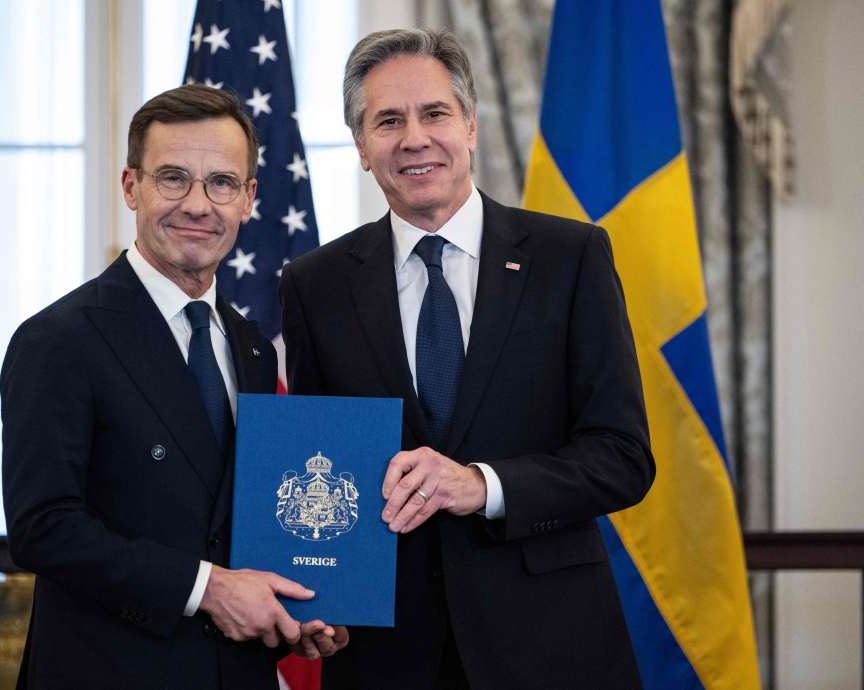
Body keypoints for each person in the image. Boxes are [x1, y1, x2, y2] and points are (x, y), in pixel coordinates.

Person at [279, 29, 655, 690]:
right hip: (384, 653)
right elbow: (319, 458)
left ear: (471, 126)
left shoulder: (569, 259)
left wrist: (482, 485)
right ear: (363, 148)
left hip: (550, 643)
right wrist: (320, 598)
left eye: (434, 113)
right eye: (387, 121)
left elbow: (623, 458)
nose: (414, 138)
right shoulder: (314, 285)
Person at [1, 84, 346, 690]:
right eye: (173, 178)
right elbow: (44, 528)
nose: (197, 204)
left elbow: (249, 521)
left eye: (221, 182)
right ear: (131, 186)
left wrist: (296, 609)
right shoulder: (58, 340)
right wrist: (209, 589)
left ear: (248, 200)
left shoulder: (255, 349)